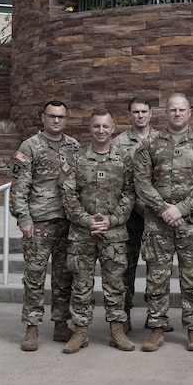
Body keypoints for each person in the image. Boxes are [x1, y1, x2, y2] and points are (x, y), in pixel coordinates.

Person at [133, 93, 193, 352]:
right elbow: (141, 182)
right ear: (166, 113)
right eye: (172, 110)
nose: (177, 114)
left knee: (192, 278)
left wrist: (180, 209)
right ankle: (157, 329)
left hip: (191, 224)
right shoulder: (150, 144)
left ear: (190, 112)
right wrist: (163, 209)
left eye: (182, 110)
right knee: (157, 277)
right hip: (157, 225)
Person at [61, 109, 135, 353]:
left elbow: (130, 194)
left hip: (113, 235)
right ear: (90, 128)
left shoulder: (124, 159)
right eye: (96, 126)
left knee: (115, 285)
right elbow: (68, 194)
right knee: (81, 284)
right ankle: (80, 332)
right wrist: (86, 220)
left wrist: (111, 220)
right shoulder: (77, 159)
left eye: (105, 126)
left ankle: (117, 332)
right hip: (82, 235)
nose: (101, 131)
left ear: (113, 128)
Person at [10, 100, 81, 352]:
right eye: (52, 116)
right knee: (35, 276)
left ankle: (61, 325)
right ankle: (31, 328)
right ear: (43, 118)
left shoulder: (74, 146)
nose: (56, 121)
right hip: (38, 223)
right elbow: (19, 188)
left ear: (66, 119)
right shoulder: (29, 147)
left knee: (64, 277)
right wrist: (23, 218)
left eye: (61, 117)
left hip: (68, 223)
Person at [111, 95, 163, 333]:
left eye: (144, 111)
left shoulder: (161, 140)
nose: (140, 116)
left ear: (151, 114)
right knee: (126, 267)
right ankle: (125, 315)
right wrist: (133, 205)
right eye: (135, 112)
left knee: (157, 268)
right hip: (130, 216)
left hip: (156, 214)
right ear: (129, 115)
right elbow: (118, 179)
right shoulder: (119, 143)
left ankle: (156, 316)